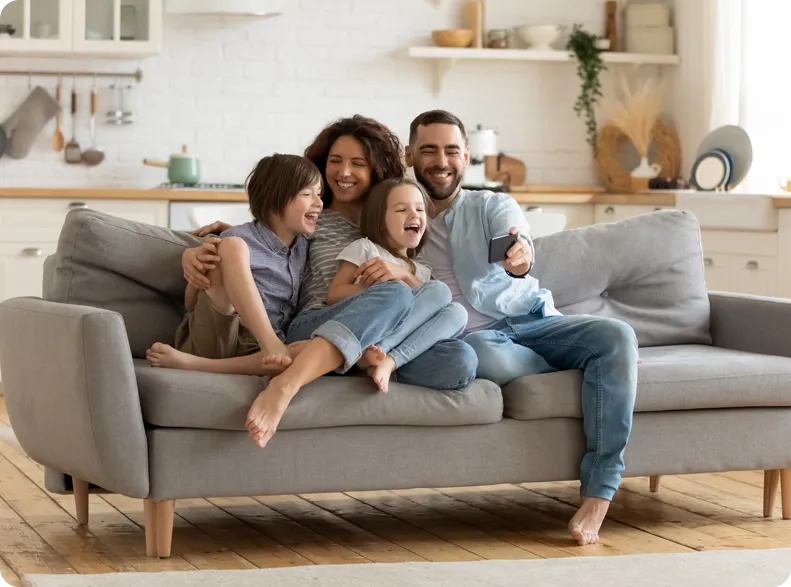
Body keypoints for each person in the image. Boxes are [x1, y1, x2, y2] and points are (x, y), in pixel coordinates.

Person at [405, 109, 639, 547]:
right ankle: (602, 369)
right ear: (409, 153)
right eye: (429, 150)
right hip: (476, 340)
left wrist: (520, 257)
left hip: (533, 322)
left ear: (466, 155)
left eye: (452, 150)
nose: (442, 161)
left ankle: (600, 490)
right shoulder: (399, 214)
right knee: (482, 353)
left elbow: (518, 243)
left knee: (617, 335)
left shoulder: (490, 204)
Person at [183, 115, 478, 448]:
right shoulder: (315, 218)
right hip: (317, 322)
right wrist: (201, 249)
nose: (344, 172)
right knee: (392, 295)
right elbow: (267, 231)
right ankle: (289, 383)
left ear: (377, 169)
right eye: (335, 162)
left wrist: (404, 273)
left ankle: (362, 359)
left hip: (381, 335)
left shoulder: (391, 220)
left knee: (460, 361)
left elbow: (421, 273)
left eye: (358, 163)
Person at [147, 153, 322, 376]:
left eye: (319, 194)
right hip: (217, 335)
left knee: (313, 349)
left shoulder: (305, 248)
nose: (319, 203)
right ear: (273, 199)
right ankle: (267, 341)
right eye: (307, 194)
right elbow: (191, 303)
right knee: (232, 246)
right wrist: (199, 264)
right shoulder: (234, 240)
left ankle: (194, 365)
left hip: (260, 352)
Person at [329, 177, 468, 392]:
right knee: (439, 291)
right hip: (372, 330)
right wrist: (374, 290)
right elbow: (334, 294)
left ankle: (388, 362)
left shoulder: (422, 270)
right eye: (402, 209)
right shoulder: (366, 248)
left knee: (457, 311)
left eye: (420, 210)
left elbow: (433, 310)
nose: (414, 215)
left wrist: (404, 275)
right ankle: (372, 355)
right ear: (379, 219)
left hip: (402, 342)